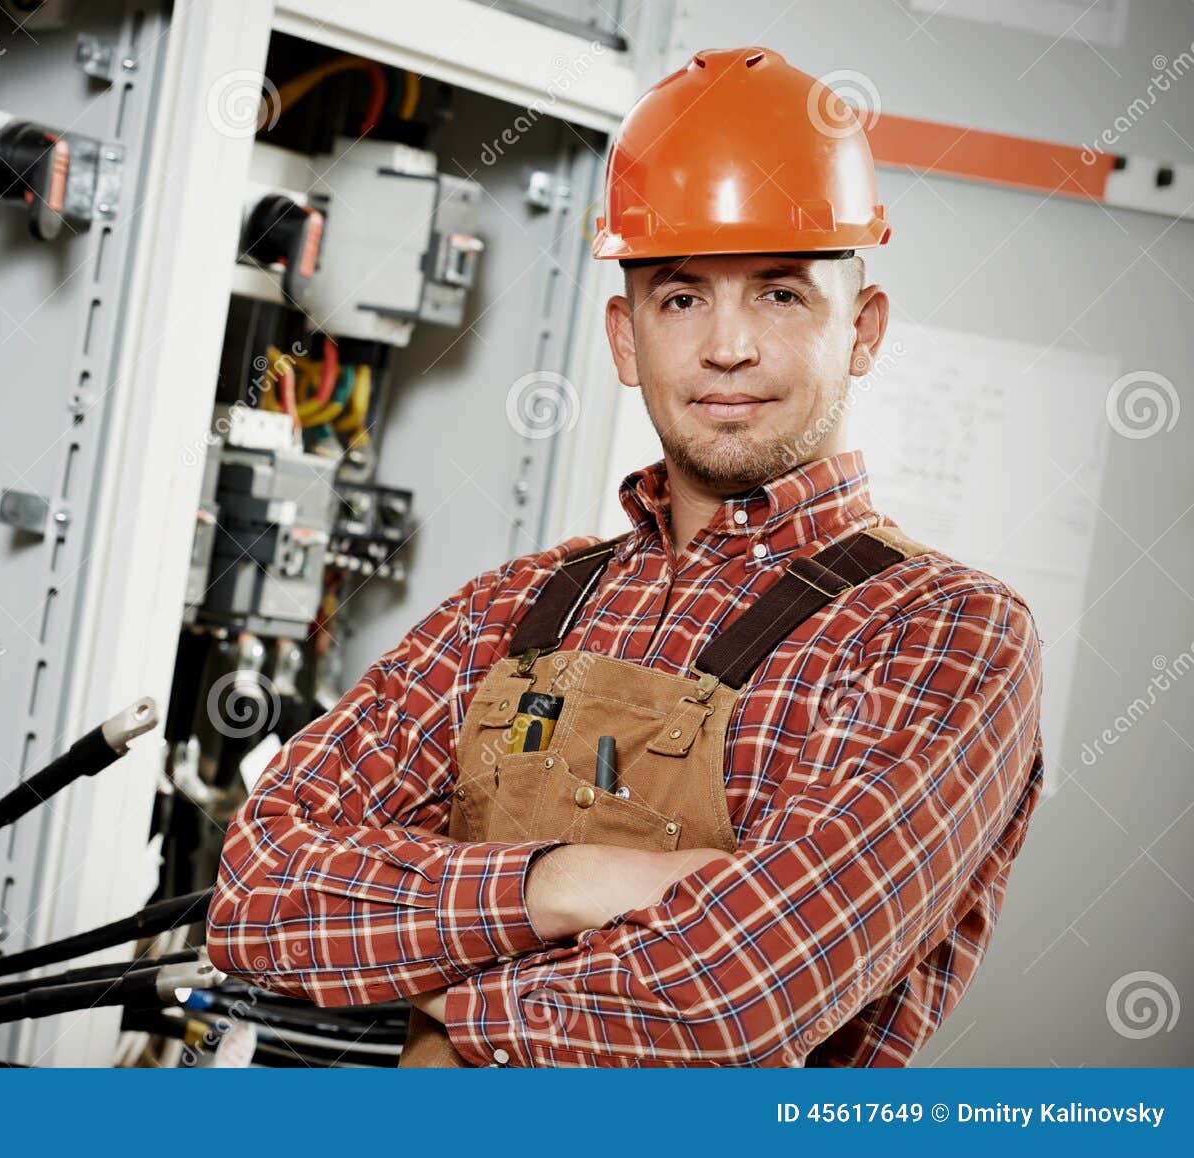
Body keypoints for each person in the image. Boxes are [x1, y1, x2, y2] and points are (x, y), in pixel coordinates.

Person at [206, 46, 1045, 1067]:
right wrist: (563, 881)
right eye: (682, 298)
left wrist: (445, 1027)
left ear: (861, 330)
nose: (727, 347)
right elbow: (260, 896)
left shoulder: (939, 633)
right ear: (623, 335)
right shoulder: (511, 607)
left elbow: (733, 989)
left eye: (780, 294)